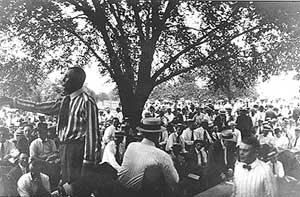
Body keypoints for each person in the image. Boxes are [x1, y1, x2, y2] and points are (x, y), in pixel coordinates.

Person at [0, 67, 99, 184]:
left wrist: (88, 162)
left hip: (77, 149)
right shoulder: (64, 101)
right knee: (67, 184)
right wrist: (13, 102)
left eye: (67, 77)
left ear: (76, 81)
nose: (63, 80)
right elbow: (38, 106)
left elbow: (93, 135)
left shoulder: (87, 102)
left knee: (77, 187)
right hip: (64, 148)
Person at [118, 117, 179, 194]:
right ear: (158, 134)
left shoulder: (131, 146)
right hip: (138, 194)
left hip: (119, 190)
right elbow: (175, 180)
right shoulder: (162, 156)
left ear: (142, 133)